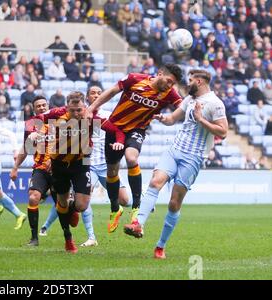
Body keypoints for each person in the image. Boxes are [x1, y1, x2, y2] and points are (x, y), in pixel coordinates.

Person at [123, 69, 228, 259]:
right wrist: (164, 119)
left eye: (190, 81)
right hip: (174, 150)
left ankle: (160, 247)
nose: (187, 84)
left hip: (193, 157)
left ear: (199, 82)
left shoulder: (215, 104)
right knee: (155, 182)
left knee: (174, 203)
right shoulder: (189, 100)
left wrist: (201, 119)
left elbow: (223, 132)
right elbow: (173, 119)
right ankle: (138, 224)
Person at [86, 64, 183, 233]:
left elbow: (183, 107)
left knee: (131, 158)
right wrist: (91, 108)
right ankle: (115, 209)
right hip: (116, 128)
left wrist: (175, 115)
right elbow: (111, 92)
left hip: (137, 130)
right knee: (112, 172)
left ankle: (137, 208)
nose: (169, 86)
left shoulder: (170, 93)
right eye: (168, 81)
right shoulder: (134, 79)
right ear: (159, 73)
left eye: (172, 84)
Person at [38, 86, 132, 247]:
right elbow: (36, 119)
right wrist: (34, 133)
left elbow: (115, 130)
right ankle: (70, 239)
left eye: (79, 110)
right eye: (72, 110)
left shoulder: (92, 117)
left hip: (82, 162)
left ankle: (74, 211)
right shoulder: (56, 114)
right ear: (66, 108)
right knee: (62, 203)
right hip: (58, 164)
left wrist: (119, 142)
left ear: (85, 107)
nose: (76, 114)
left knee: (82, 205)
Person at [10, 95, 56, 246]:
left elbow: (68, 144)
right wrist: (15, 167)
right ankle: (34, 238)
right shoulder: (30, 124)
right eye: (38, 106)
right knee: (33, 198)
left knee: (65, 206)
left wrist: (54, 158)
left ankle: (68, 237)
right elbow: (26, 147)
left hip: (59, 169)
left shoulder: (58, 119)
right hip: (40, 168)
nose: (42, 108)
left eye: (44, 105)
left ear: (48, 105)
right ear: (34, 109)